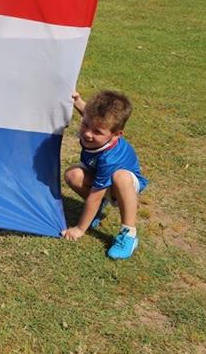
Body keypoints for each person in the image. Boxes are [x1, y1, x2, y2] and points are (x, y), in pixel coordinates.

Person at [62, 90, 148, 259]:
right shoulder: (96, 126)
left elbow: (94, 196)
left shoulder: (110, 158)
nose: (87, 133)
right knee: (73, 174)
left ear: (116, 135)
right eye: (85, 124)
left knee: (120, 177)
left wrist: (80, 228)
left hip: (124, 185)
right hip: (98, 173)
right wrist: (78, 102)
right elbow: (92, 117)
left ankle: (128, 234)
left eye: (97, 132)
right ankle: (97, 210)